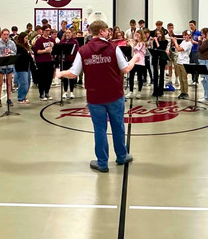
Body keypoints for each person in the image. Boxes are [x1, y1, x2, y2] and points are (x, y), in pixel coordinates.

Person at [57, 20, 140, 173]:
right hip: (114, 94)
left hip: (95, 97)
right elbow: (126, 69)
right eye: (107, 30)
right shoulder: (113, 48)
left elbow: (74, 73)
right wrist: (135, 59)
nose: (109, 33)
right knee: (118, 126)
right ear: (101, 31)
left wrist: (61, 73)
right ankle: (121, 155)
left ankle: (102, 162)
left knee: (100, 129)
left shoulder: (83, 50)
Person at [0, 28, 17, 106]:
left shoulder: (12, 43)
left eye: (7, 34)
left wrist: (10, 52)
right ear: (1, 35)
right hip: (1, 65)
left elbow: (15, 52)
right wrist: (2, 56)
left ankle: (9, 99)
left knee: (9, 83)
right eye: (4, 34)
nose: (6, 36)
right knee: (0, 83)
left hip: (9, 64)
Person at [32, 27, 56, 101]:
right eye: (46, 30)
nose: (48, 32)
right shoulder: (39, 40)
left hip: (51, 60)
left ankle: (47, 92)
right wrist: (45, 50)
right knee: (42, 78)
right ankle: (41, 93)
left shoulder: (51, 40)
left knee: (49, 78)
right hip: (41, 61)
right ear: (43, 31)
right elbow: (36, 51)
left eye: (49, 31)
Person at [58, 30, 80, 99]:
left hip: (71, 61)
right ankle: (65, 92)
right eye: (67, 33)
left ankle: (71, 92)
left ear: (71, 34)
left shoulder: (74, 41)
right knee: (64, 77)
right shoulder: (62, 41)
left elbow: (76, 51)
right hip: (64, 61)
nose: (68, 34)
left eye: (69, 33)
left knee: (71, 77)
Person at [14, 33, 34, 104]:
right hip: (21, 66)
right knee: (23, 83)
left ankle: (24, 96)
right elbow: (20, 56)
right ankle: (20, 98)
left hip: (27, 66)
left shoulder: (26, 46)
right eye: (25, 38)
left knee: (27, 82)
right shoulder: (18, 47)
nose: (26, 40)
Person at [127, 31, 148, 98]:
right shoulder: (136, 43)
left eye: (138, 35)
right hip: (134, 61)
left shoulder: (142, 43)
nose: (136, 37)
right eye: (136, 35)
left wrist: (132, 44)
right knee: (131, 77)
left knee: (139, 77)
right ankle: (131, 91)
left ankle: (139, 92)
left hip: (140, 62)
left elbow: (136, 48)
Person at [172, 30, 192, 100]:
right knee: (180, 78)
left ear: (189, 36)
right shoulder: (183, 42)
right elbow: (178, 48)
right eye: (184, 35)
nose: (184, 37)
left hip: (184, 62)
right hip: (179, 61)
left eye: (186, 35)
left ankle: (185, 92)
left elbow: (179, 49)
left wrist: (175, 41)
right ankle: (182, 91)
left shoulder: (189, 43)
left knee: (184, 79)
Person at [197, 28, 208, 101]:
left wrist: (199, 41)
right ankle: (206, 95)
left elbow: (200, 49)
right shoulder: (205, 41)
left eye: (202, 33)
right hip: (203, 60)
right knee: (204, 79)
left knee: (207, 79)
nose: (201, 35)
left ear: (207, 33)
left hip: (207, 61)